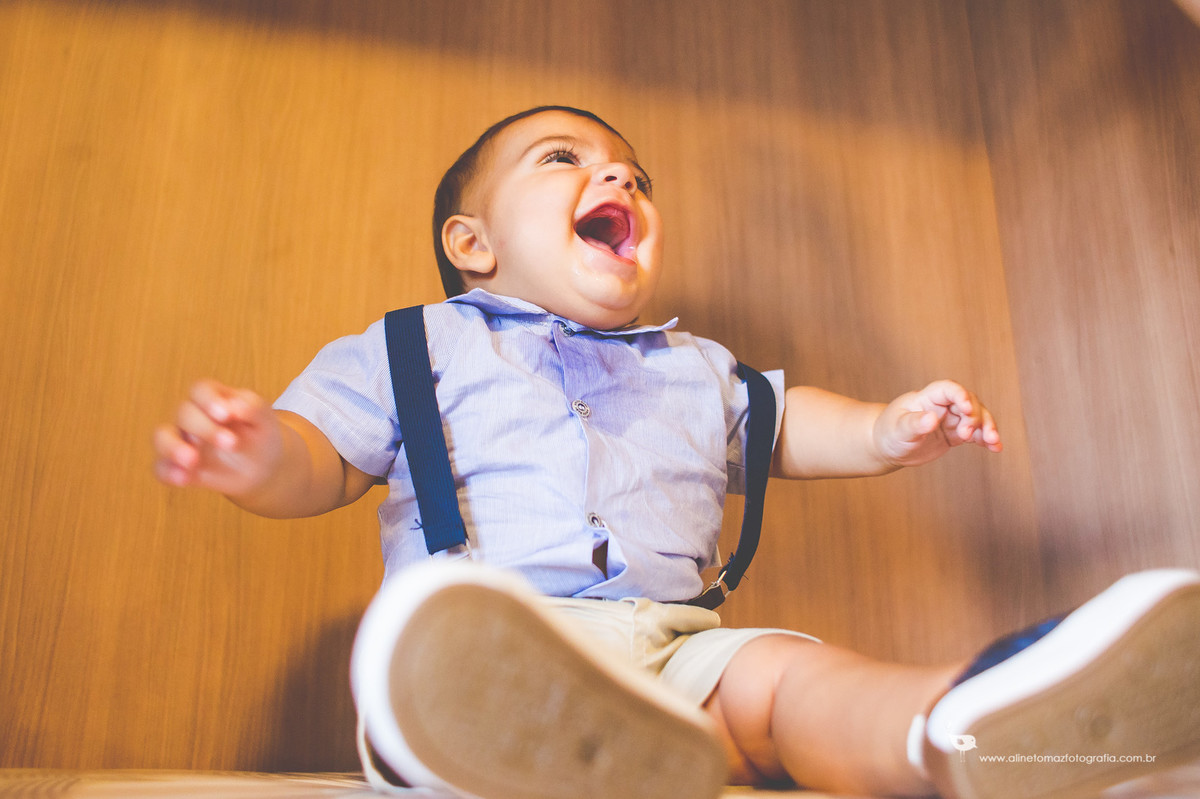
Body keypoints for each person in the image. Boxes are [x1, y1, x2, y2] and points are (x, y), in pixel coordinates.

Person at [154, 106, 1200, 799]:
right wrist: (255, 456)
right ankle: (529, 755)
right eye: (563, 156)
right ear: (471, 245)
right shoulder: (413, 346)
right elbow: (317, 459)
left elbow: (787, 427)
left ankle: (958, 725)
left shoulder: (696, 366)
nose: (615, 171)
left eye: (634, 173)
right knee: (439, 659)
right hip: (499, 643)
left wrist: (887, 429)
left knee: (792, 678)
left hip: (681, 650)